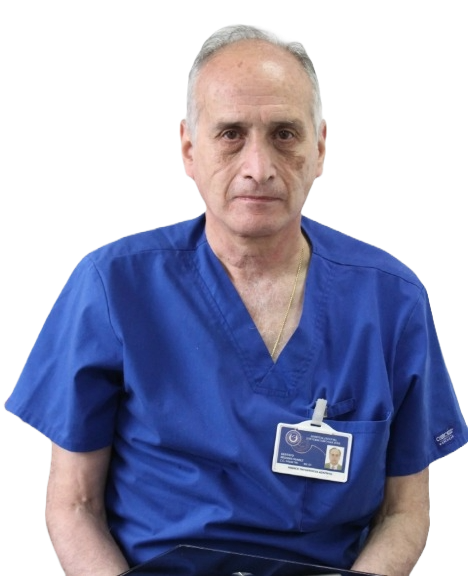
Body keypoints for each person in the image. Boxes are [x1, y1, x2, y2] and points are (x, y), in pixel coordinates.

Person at [3, 22, 467, 576]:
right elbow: (74, 506)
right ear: (188, 148)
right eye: (230, 134)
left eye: (284, 134)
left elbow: (404, 512)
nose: (258, 168)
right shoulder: (112, 286)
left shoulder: (391, 299)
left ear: (320, 147)